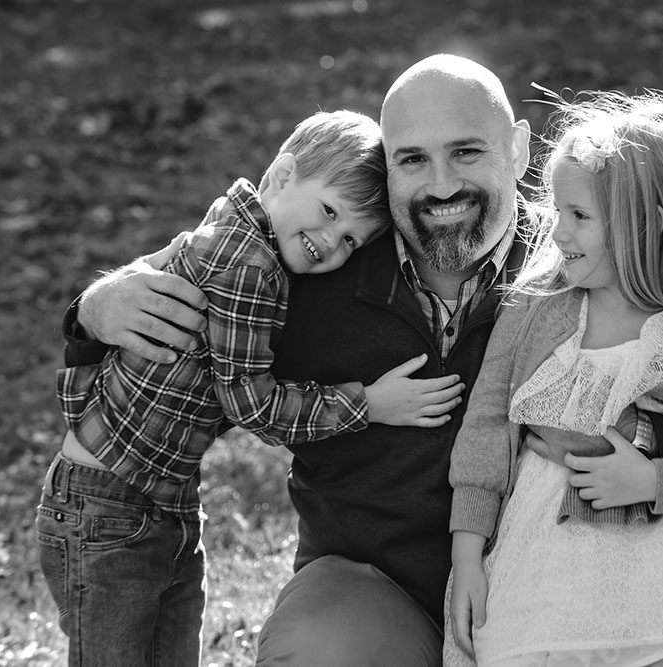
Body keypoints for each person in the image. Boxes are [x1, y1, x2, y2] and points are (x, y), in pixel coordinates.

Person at [59, 55, 663, 666]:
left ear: (519, 150)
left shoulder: (581, 263)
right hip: (373, 589)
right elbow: (197, 309)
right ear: (384, 166)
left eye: (466, 152)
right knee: (327, 648)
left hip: (542, 589)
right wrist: (93, 312)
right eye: (412, 161)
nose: (441, 185)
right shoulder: (323, 265)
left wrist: (635, 443)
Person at [35, 109, 466, 667]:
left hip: (146, 494)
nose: (330, 243)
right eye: (329, 212)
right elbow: (251, 404)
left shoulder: (236, 228)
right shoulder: (249, 267)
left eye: (351, 241)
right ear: (283, 175)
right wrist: (369, 403)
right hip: (109, 504)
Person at [446, 91, 663, 667]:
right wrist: (468, 556)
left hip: (659, 582)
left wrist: (654, 482)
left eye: (579, 216)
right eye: (556, 212)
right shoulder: (533, 310)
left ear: (643, 223)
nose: (557, 233)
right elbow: (484, 430)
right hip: (539, 566)